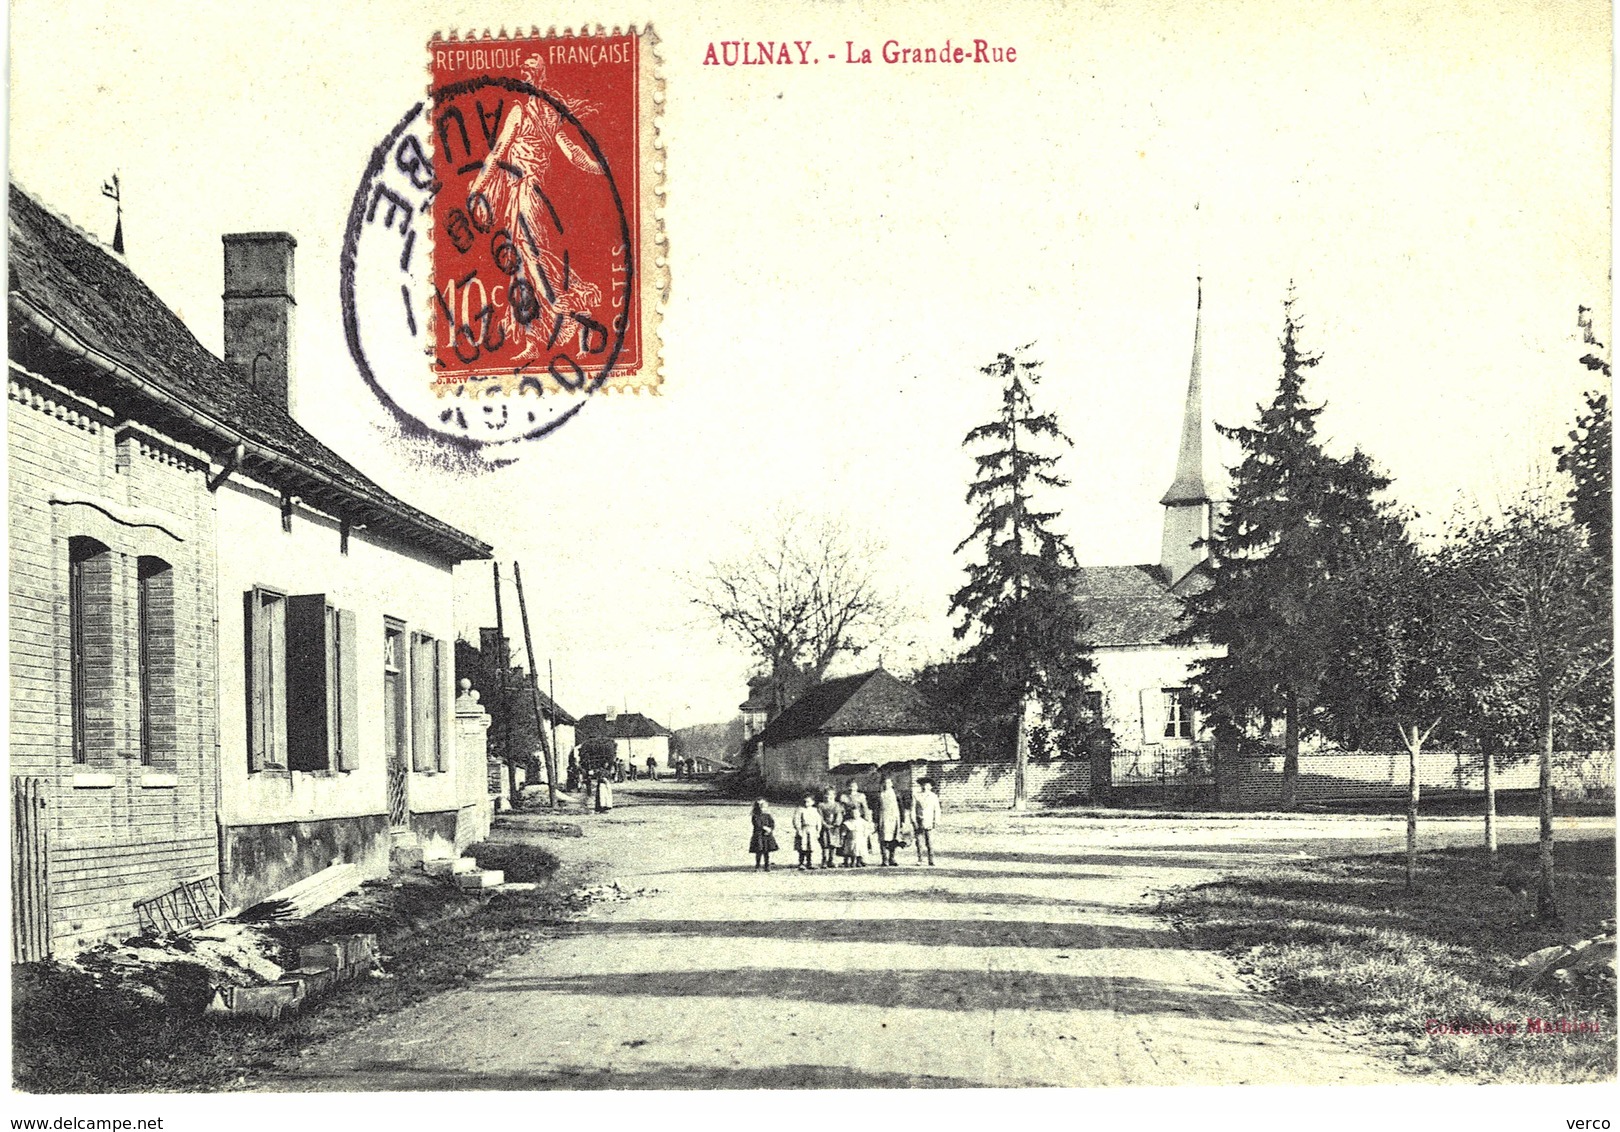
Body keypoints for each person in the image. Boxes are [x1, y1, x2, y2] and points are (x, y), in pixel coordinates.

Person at [875, 776, 903, 866]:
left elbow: (901, 807)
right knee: (883, 838)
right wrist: (875, 820)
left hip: (894, 818)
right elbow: (876, 808)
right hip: (883, 818)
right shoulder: (880, 794)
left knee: (894, 838)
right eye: (885, 783)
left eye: (889, 783)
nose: (887, 785)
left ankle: (892, 858)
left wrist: (902, 820)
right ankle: (885, 859)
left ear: (892, 784)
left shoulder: (896, 794)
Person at [912, 777, 941, 865]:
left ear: (931, 787)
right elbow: (913, 809)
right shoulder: (916, 795)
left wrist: (936, 821)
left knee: (930, 842)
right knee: (919, 842)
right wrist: (913, 820)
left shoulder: (933, 796)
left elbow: (937, 809)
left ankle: (931, 859)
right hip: (919, 821)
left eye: (927, 785)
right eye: (923, 785)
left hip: (929, 821)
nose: (925, 787)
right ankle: (920, 859)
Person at [791, 795, 822, 870]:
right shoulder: (800, 810)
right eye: (804, 801)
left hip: (812, 829)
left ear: (813, 802)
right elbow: (796, 820)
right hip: (803, 829)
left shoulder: (815, 810)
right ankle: (801, 863)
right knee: (802, 847)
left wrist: (818, 831)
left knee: (810, 847)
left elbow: (818, 821)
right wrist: (799, 830)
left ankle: (809, 863)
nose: (806, 803)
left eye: (808, 802)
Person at [815, 787, 844, 869]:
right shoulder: (821, 805)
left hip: (834, 828)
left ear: (834, 795)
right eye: (826, 794)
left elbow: (839, 815)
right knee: (825, 844)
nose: (828, 796)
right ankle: (824, 860)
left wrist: (836, 823)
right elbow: (819, 816)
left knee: (833, 844)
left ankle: (831, 860)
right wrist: (824, 824)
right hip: (824, 828)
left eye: (830, 795)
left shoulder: (837, 805)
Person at [749, 799, 779, 870]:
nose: (764, 809)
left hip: (767, 835)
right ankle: (758, 865)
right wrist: (764, 828)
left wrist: (770, 829)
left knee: (766, 851)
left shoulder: (768, 815)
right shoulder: (755, 816)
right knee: (759, 851)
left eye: (765, 807)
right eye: (762, 807)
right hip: (759, 835)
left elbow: (772, 823)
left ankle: (767, 865)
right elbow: (757, 824)